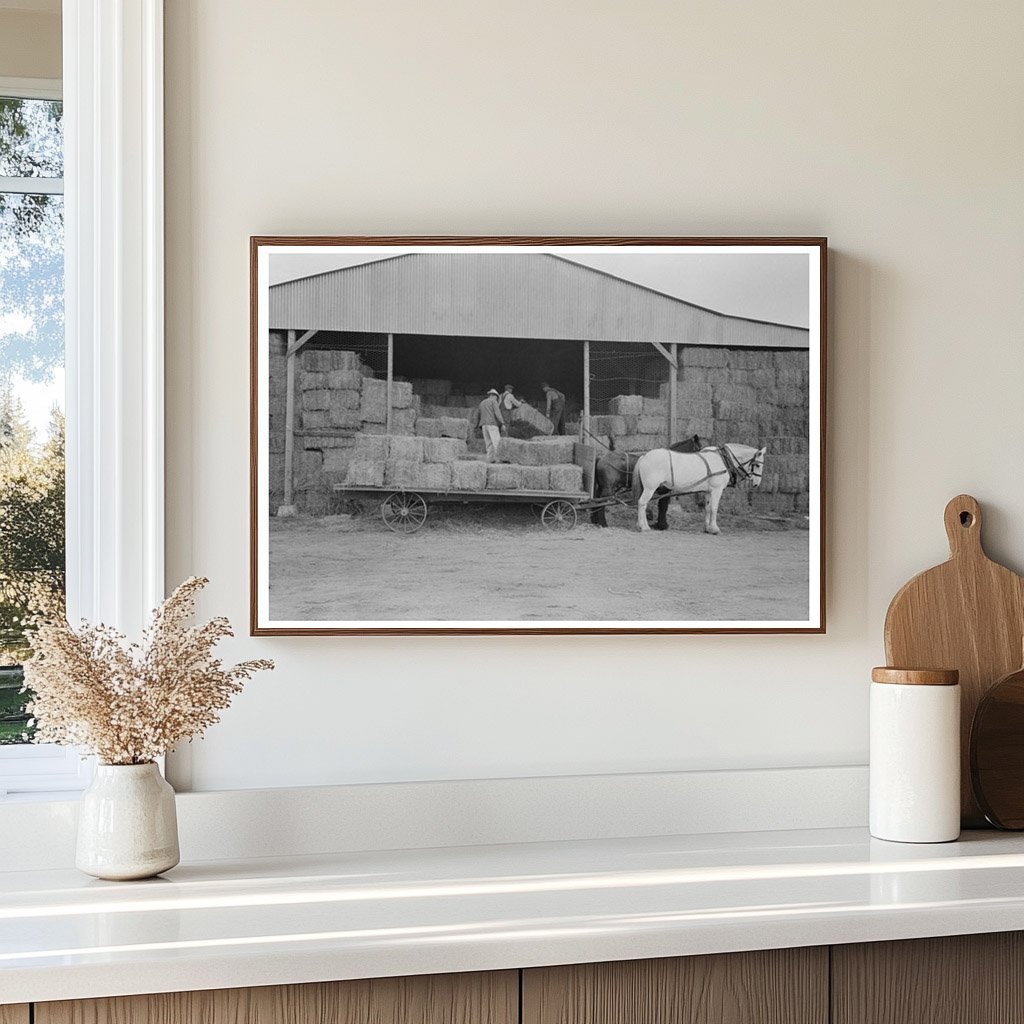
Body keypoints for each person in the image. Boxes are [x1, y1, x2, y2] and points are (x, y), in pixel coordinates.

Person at [474, 388, 504, 461]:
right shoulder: (494, 402)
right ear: (494, 395)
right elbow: (497, 413)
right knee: (496, 442)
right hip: (492, 424)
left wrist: (476, 425)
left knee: (488, 443)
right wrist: (502, 423)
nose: (496, 399)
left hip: (484, 425)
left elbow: (477, 415)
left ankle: (490, 459)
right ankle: (498, 458)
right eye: (496, 397)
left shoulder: (482, 403)